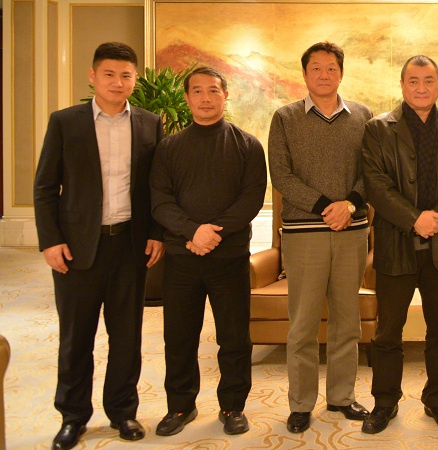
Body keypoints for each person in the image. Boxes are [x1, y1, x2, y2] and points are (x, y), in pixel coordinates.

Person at [34, 42, 164, 449]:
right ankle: (73, 417)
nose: (117, 82)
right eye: (109, 74)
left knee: (126, 336)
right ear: (93, 76)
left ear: (135, 79)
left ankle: (122, 412)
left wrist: (156, 232)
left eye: (126, 75)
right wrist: (51, 241)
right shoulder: (65, 122)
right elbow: (44, 187)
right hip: (77, 249)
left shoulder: (149, 124)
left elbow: (156, 187)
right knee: (76, 339)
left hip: (129, 245)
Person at [359, 55, 438, 434]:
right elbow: (375, 184)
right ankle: (384, 402)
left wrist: (437, 216)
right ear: (402, 85)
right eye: (413, 81)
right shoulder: (378, 128)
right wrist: (414, 219)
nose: (421, 88)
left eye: (428, 81)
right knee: (387, 333)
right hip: (395, 246)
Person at [150, 66, 266, 437]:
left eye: (213, 90)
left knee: (234, 338)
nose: (205, 98)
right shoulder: (169, 147)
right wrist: (192, 232)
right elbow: (160, 200)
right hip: (182, 259)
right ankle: (181, 406)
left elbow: (251, 198)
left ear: (225, 96)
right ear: (187, 98)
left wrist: (212, 233)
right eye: (197, 91)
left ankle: (233, 406)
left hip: (230, 258)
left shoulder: (247, 145)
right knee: (179, 337)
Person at [267, 42, 374, 434]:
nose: (324, 74)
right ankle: (300, 403)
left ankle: (342, 396)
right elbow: (281, 175)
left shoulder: (362, 115)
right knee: (303, 324)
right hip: (304, 233)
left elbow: (373, 170)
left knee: (347, 321)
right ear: (305, 74)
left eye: (331, 68)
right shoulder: (285, 118)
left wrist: (350, 205)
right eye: (316, 68)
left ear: (341, 73)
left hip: (352, 231)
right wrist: (328, 206)